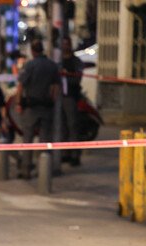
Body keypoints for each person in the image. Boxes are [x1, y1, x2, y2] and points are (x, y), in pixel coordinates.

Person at [15, 40, 59, 178]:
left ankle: (26, 170)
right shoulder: (52, 65)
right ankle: (44, 171)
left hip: (31, 107)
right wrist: (52, 100)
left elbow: (21, 85)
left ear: (32, 51)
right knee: (45, 140)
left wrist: (19, 103)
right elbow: (56, 87)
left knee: (27, 139)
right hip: (46, 106)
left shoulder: (30, 65)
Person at [59, 38, 84, 166]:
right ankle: (65, 153)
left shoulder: (75, 61)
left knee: (72, 126)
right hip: (59, 97)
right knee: (62, 127)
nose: (65, 47)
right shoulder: (59, 61)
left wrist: (67, 75)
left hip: (71, 97)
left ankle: (75, 155)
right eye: (63, 44)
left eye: (66, 44)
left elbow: (78, 78)